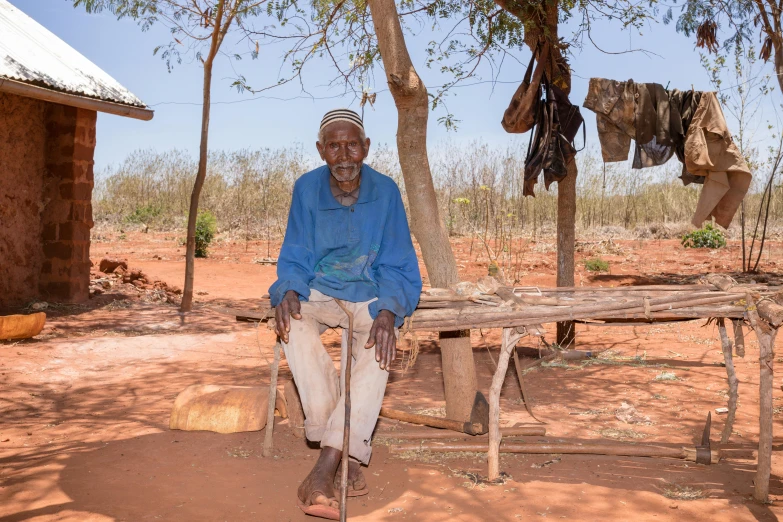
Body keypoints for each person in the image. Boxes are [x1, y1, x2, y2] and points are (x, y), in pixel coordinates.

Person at [269, 108, 422, 518]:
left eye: (352, 144)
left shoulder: (386, 191)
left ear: (366, 147)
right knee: (292, 327)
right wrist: (287, 291)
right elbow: (296, 254)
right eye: (333, 146)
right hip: (320, 290)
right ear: (321, 150)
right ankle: (343, 458)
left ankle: (324, 466)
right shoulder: (305, 189)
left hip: (370, 293)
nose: (344, 154)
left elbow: (396, 261)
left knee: (379, 347)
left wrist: (389, 310)